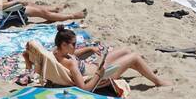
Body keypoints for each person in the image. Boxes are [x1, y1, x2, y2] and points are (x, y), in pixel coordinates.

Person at [29, 26, 170, 90]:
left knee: (126, 50)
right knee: (133, 57)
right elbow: (84, 88)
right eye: (74, 44)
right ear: (64, 44)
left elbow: (74, 54)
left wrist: (90, 49)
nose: (75, 46)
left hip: (97, 66)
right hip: (102, 74)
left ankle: (146, 71)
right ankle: (158, 81)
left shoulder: (56, 52)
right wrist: (99, 73)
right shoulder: (71, 64)